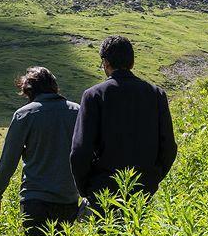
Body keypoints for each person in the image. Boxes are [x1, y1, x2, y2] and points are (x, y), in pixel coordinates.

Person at [70, 36, 177, 210]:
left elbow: (80, 151)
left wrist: (86, 188)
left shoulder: (94, 95)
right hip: (142, 191)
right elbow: (169, 147)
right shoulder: (156, 94)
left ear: (105, 63)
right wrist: (152, 179)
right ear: (132, 62)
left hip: (103, 192)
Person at [0, 66, 82, 236]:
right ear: (55, 87)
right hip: (68, 198)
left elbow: (8, 161)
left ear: (28, 91)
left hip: (35, 199)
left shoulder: (25, 115)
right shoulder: (77, 111)